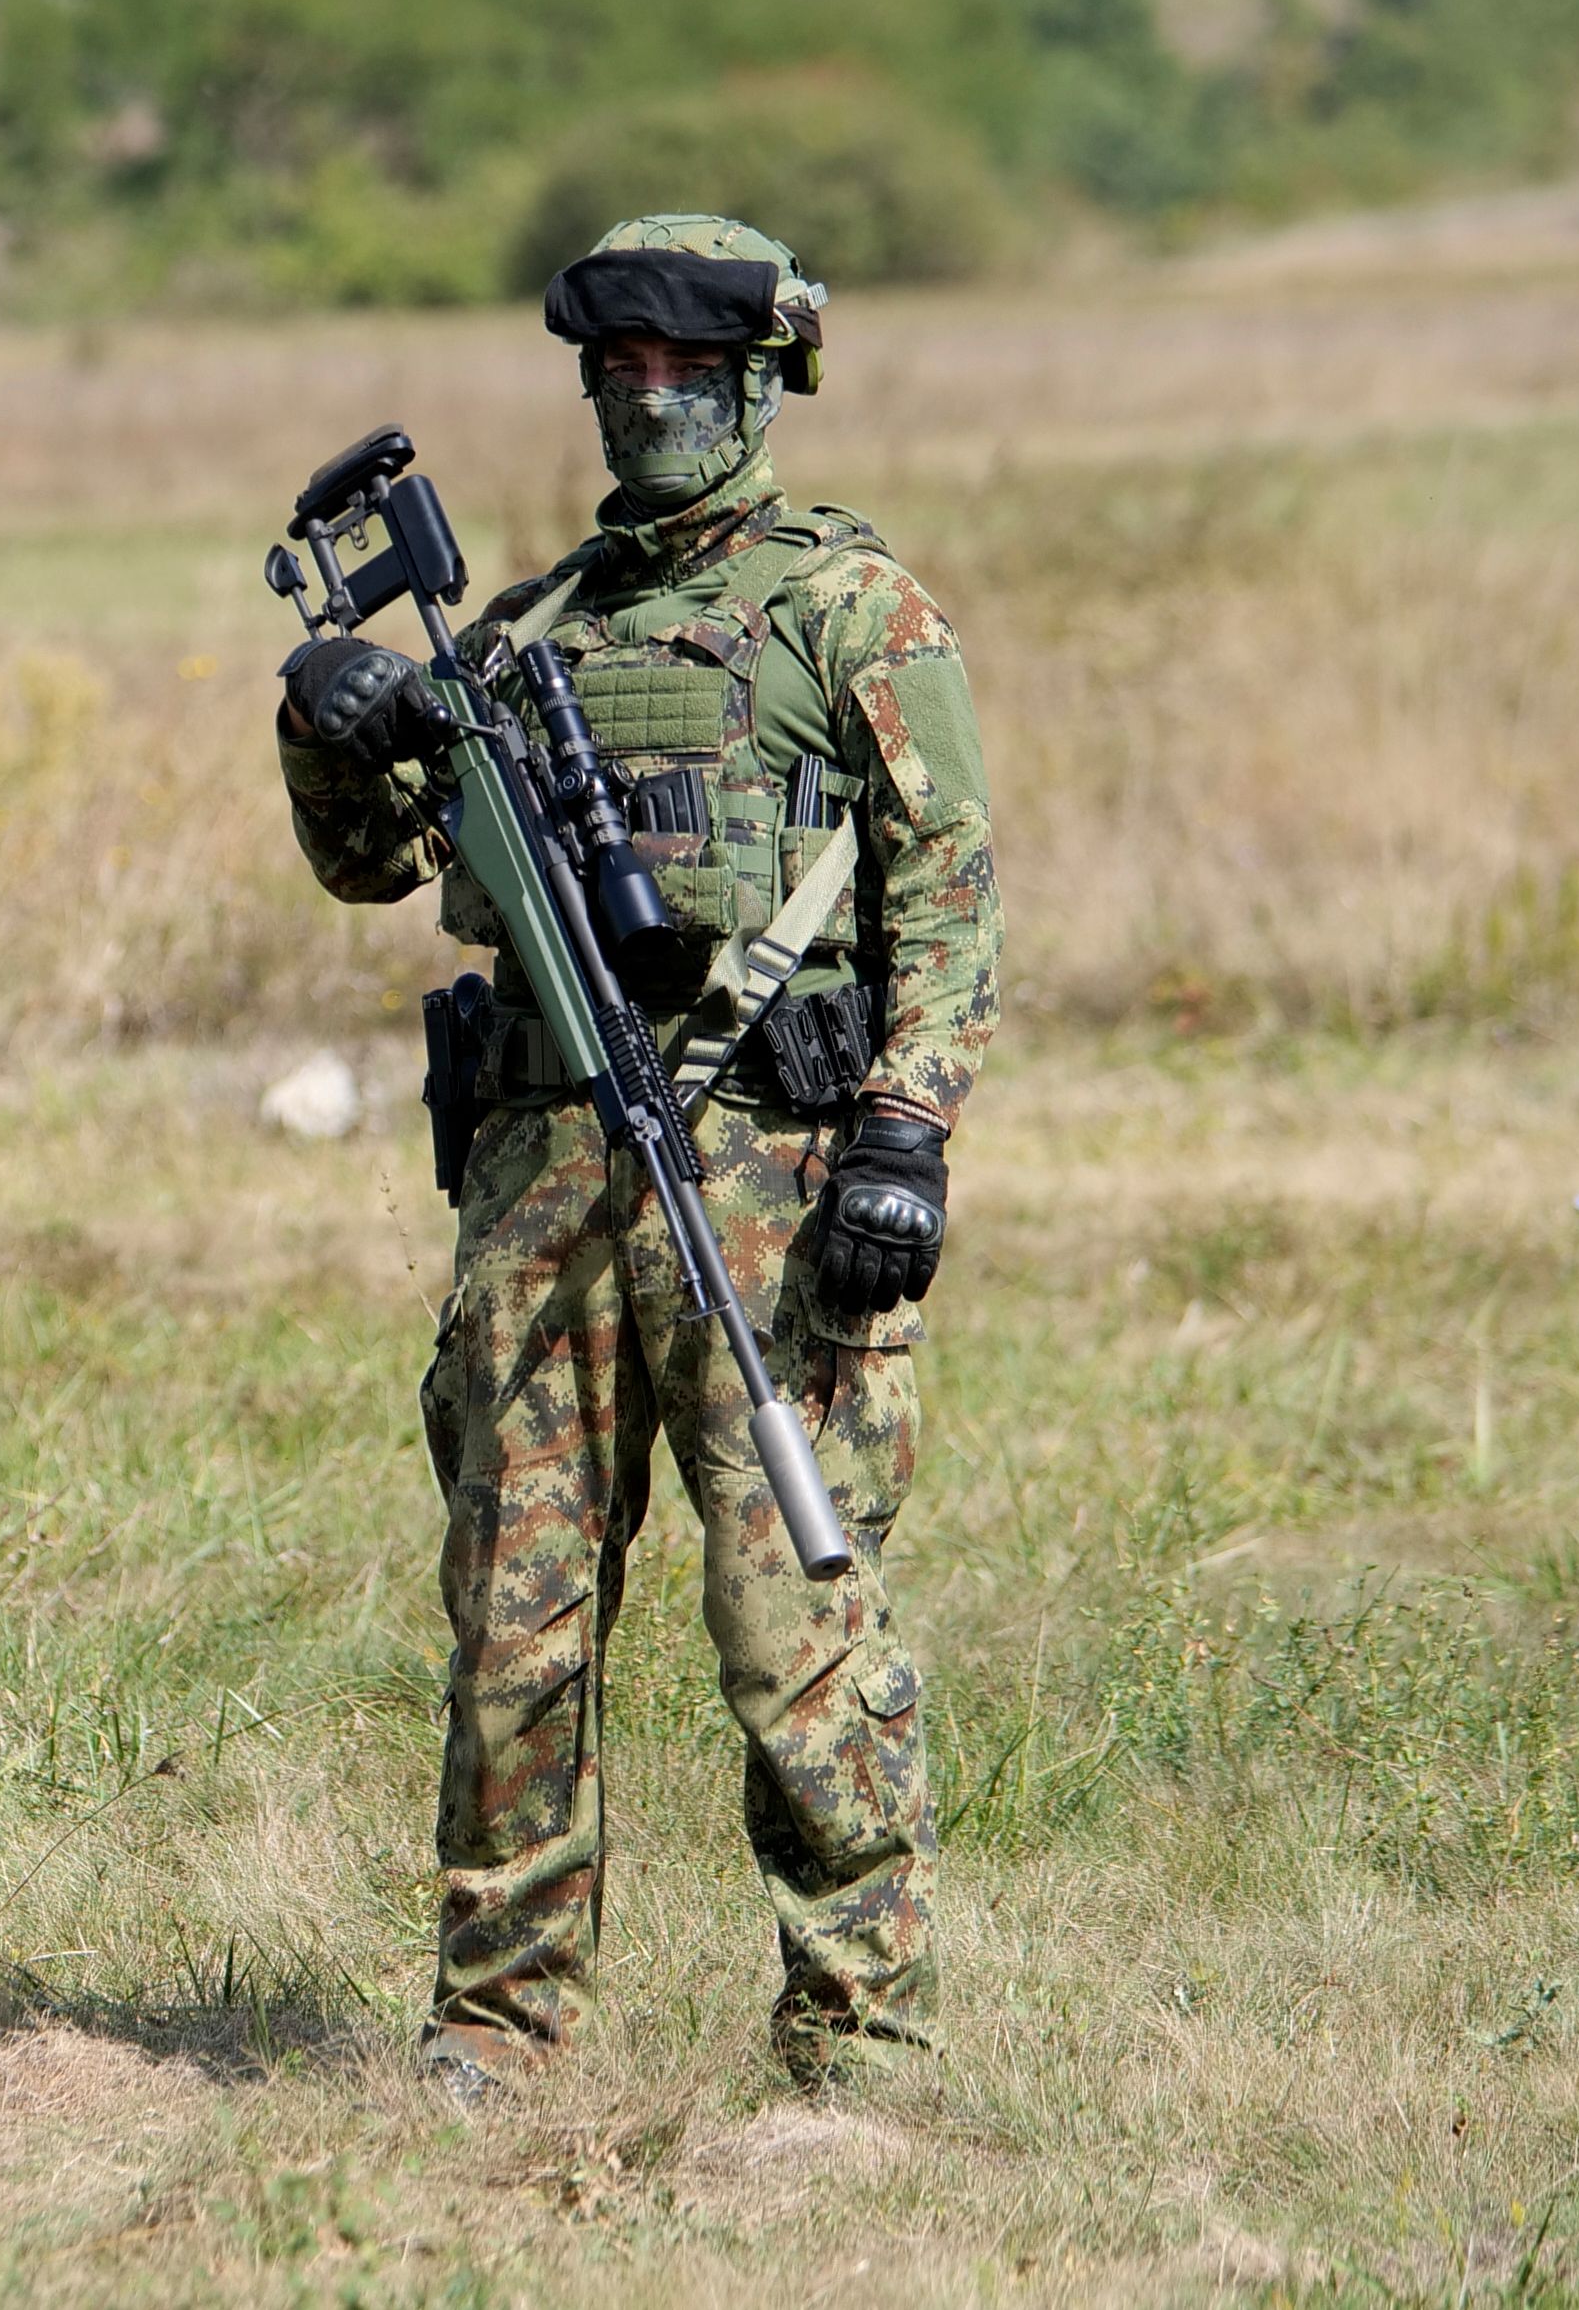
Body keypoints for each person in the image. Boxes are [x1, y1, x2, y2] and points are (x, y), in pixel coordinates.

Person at [271, 213, 1002, 2095]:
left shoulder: (857, 613)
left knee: (794, 1626)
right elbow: (368, 868)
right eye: (625, 372)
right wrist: (332, 734)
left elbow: (951, 900)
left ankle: (866, 2040)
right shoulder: (529, 635)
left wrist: (905, 1140)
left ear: (765, 382)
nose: (655, 399)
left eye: (692, 370)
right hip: (542, 1192)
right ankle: (497, 2033)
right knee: (516, 1620)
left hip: (766, 1195)